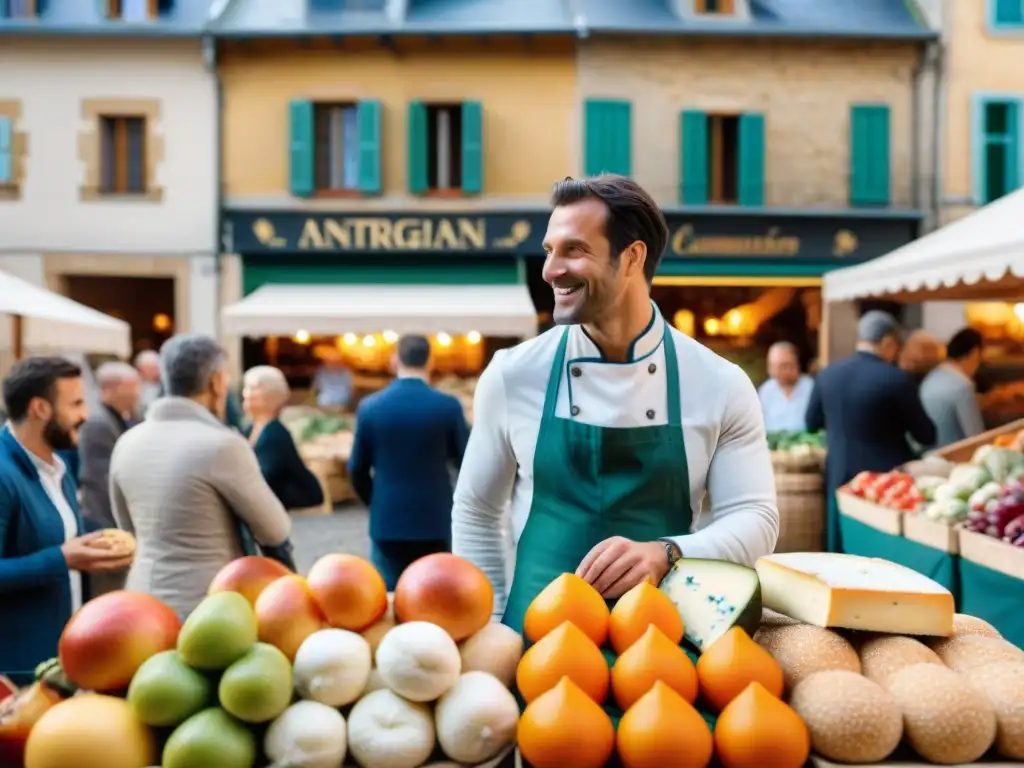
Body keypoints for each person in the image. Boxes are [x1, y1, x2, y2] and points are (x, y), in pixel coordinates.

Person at [452, 176, 779, 658]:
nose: (550, 270)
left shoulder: (719, 383)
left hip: (662, 647)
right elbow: (477, 511)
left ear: (632, 258)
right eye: (549, 249)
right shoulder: (512, 375)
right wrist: (492, 629)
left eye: (574, 250)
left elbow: (756, 518)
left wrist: (669, 551)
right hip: (533, 647)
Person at [109, 334, 293, 618]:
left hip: (140, 604)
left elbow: (127, 527)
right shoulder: (223, 445)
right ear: (217, 382)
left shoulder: (127, 442)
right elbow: (275, 529)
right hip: (207, 610)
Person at [0, 357, 133, 680]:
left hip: (60, 659)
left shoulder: (58, 464)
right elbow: (58, 555)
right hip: (16, 671)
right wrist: (63, 558)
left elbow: (59, 539)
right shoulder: (3, 473)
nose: (85, 415)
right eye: (75, 404)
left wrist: (97, 545)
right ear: (40, 409)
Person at [806, 310, 936, 552]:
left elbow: (811, 423)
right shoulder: (896, 379)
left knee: (842, 558)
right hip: (884, 486)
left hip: (839, 477)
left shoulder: (827, 375)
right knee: (881, 558)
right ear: (889, 342)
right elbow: (926, 434)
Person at [349, 334, 470, 589]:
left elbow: (357, 468)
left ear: (395, 360)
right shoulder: (447, 406)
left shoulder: (370, 407)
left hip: (387, 517)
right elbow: (467, 463)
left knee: (391, 598)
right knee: (433, 595)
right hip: (435, 517)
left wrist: (374, 500)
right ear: (430, 361)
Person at [77, 362, 141, 596]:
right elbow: (102, 480)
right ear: (112, 389)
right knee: (107, 594)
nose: (138, 391)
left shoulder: (120, 418)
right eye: (132, 386)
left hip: (110, 519)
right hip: (104, 521)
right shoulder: (98, 424)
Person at [242, 365, 325, 512]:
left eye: (254, 388)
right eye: (246, 387)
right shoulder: (250, 429)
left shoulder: (275, 434)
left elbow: (265, 478)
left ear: (272, 395)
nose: (247, 394)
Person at [920, 328, 986, 447]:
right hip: (951, 459)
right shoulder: (962, 385)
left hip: (925, 455)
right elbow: (975, 437)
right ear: (975, 353)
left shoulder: (929, 379)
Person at [758, 341, 815, 433]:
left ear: (796, 364)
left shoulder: (812, 388)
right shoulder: (765, 390)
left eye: (783, 366)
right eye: (773, 366)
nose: (776, 372)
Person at [134, 350, 162, 415]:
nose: (157, 372)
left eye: (156, 368)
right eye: (151, 369)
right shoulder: (133, 384)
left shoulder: (163, 385)